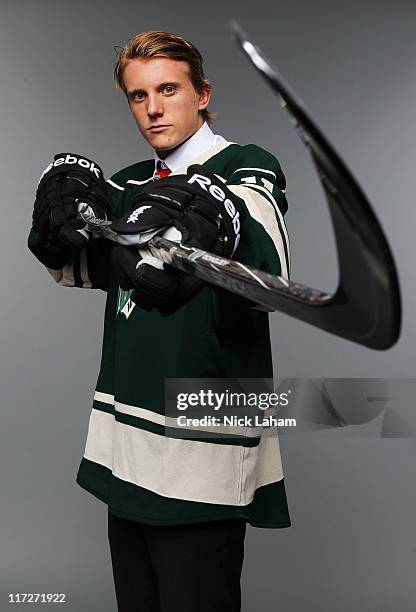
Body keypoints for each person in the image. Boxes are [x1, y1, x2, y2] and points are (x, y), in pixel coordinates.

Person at [28, 31, 291, 612]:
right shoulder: (127, 183)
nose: (152, 107)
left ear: (202, 94)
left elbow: (267, 273)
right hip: (128, 449)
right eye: (137, 94)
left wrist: (216, 217)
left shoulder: (247, 166)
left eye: (168, 89)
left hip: (201, 449)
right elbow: (76, 266)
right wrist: (54, 221)